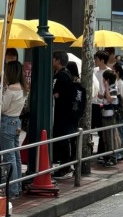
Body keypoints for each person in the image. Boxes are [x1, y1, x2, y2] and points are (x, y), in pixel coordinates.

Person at [0, 60, 26, 198]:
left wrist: (1, 93)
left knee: (9, 157)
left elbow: (3, 107)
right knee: (16, 156)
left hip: (7, 121)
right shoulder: (22, 87)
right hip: (16, 122)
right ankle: (17, 186)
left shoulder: (10, 89)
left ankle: (12, 189)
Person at [52, 50, 75, 178]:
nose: (52, 61)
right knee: (63, 140)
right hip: (65, 114)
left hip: (62, 114)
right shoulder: (67, 74)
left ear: (58, 61)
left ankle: (65, 167)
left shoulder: (61, 76)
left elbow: (55, 92)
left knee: (62, 140)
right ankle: (65, 166)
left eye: (53, 59)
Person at [100, 69, 121, 166]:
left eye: (104, 79)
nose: (102, 80)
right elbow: (103, 97)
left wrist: (106, 88)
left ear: (107, 80)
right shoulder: (109, 89)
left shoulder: (113, 89)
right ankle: (108, 157)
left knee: (111, 138)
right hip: (105, 116)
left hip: (111, 117)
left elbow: (109, 99)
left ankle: (113, 158)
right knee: (106, 138)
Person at [92, 50, 110, 156]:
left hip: (102, 103)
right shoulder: (94, 71)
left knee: (101, 130)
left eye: (96, 59)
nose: (95, 61)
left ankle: (101, 152)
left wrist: (102, 95)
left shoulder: (109, 72)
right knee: (88, 128)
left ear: (102, 60)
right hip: (92, 103)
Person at [112, 61, 123, 161]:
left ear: (117, 72)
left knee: (120, 132)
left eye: (113, 70)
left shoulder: (121, 84)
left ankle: (120, 152)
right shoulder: (117, 83)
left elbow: (122, 99)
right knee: (118, 131)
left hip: (120, 111)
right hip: (118, 110)